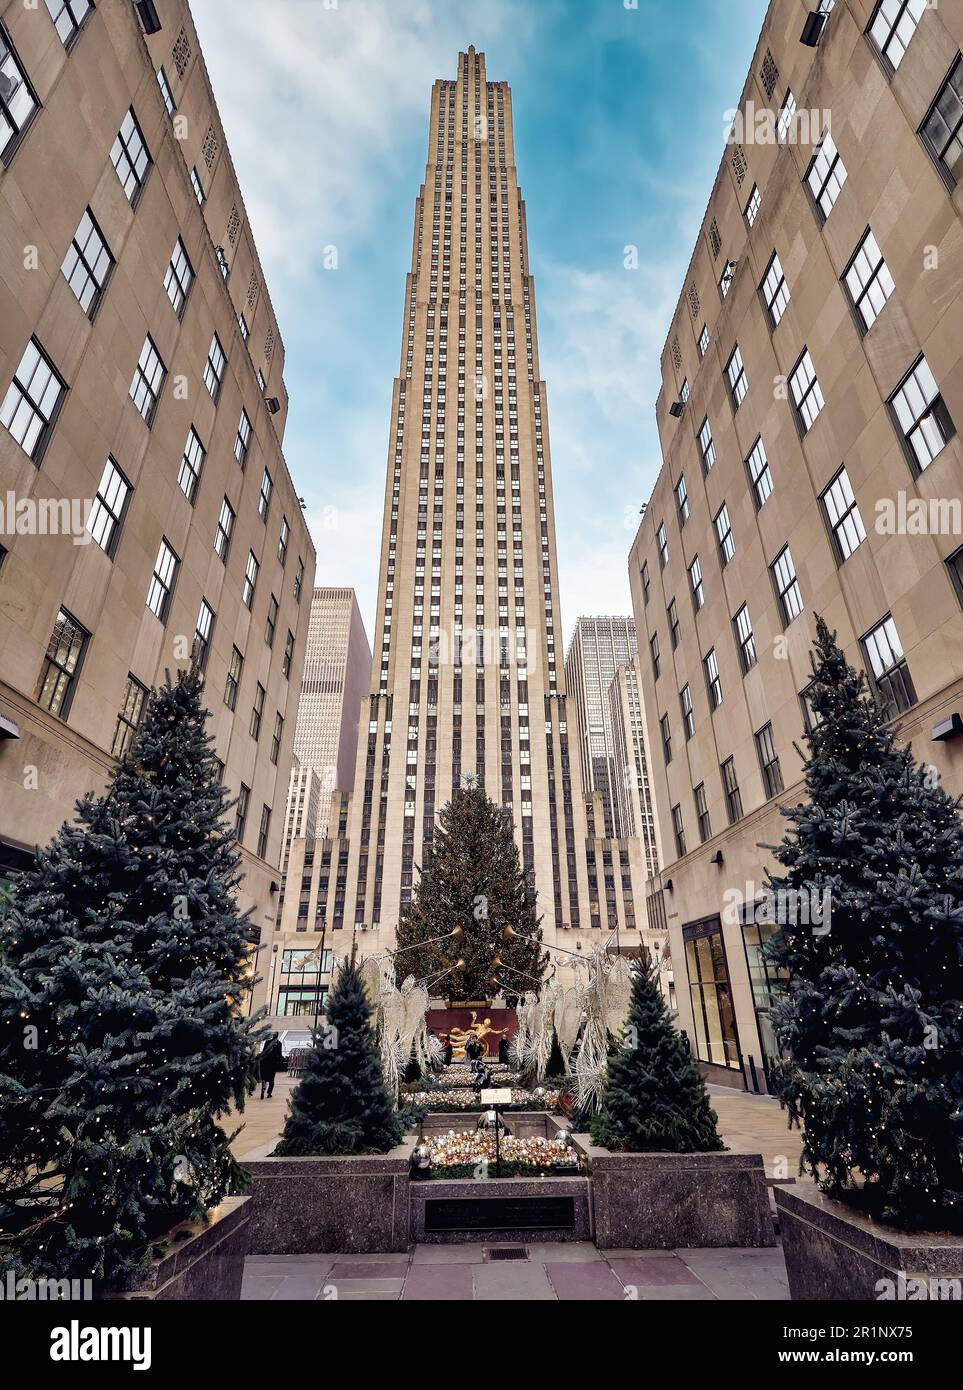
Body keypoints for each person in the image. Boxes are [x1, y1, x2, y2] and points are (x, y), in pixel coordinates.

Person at [258, 1035, 284, 1099]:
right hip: (273, 1063)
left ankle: (263, 1091)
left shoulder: (267, 1042)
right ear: (277, 1036)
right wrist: (281, 1061)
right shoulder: (279, 1044)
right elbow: (279, 1054)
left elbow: (264, 1051)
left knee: (264, 1078)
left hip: (265, 1062)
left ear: (272, 1036)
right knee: (271, 1079)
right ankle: (269, 1093)